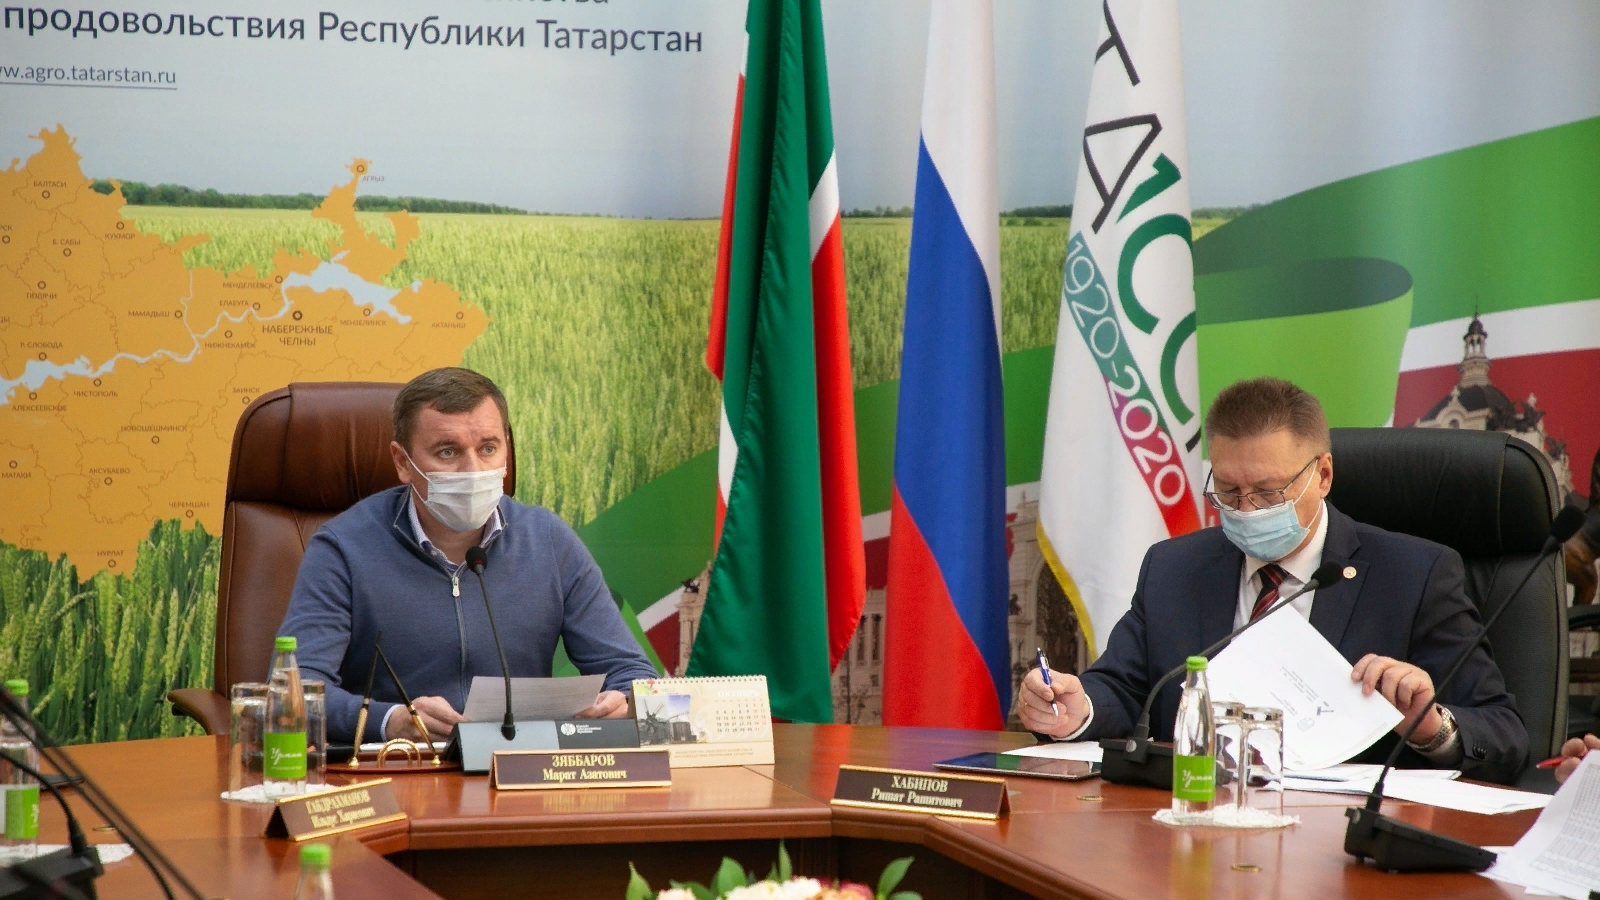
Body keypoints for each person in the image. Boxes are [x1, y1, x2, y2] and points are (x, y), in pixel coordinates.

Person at [1019, 377, 1528, 783]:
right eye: (1228, 490)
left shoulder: (1415, 575)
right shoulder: (1173, 568)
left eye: (1267, 491)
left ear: (1323, 475)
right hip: (1194, 821)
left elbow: (1506, 734)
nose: (1246, 509)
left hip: (1337, 845)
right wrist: (1077, 708)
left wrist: (1431, 726)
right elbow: (1124, 687)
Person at [277, 368, 658, 744]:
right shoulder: (344, 546)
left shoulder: (547, 539)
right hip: (401, 765)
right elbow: (295, 692)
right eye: (448, 452)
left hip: (516, 764)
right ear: (402, 462)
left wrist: (623, 701)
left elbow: (631, 673)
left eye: (488, 448)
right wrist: (389, 720)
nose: (473, 470)